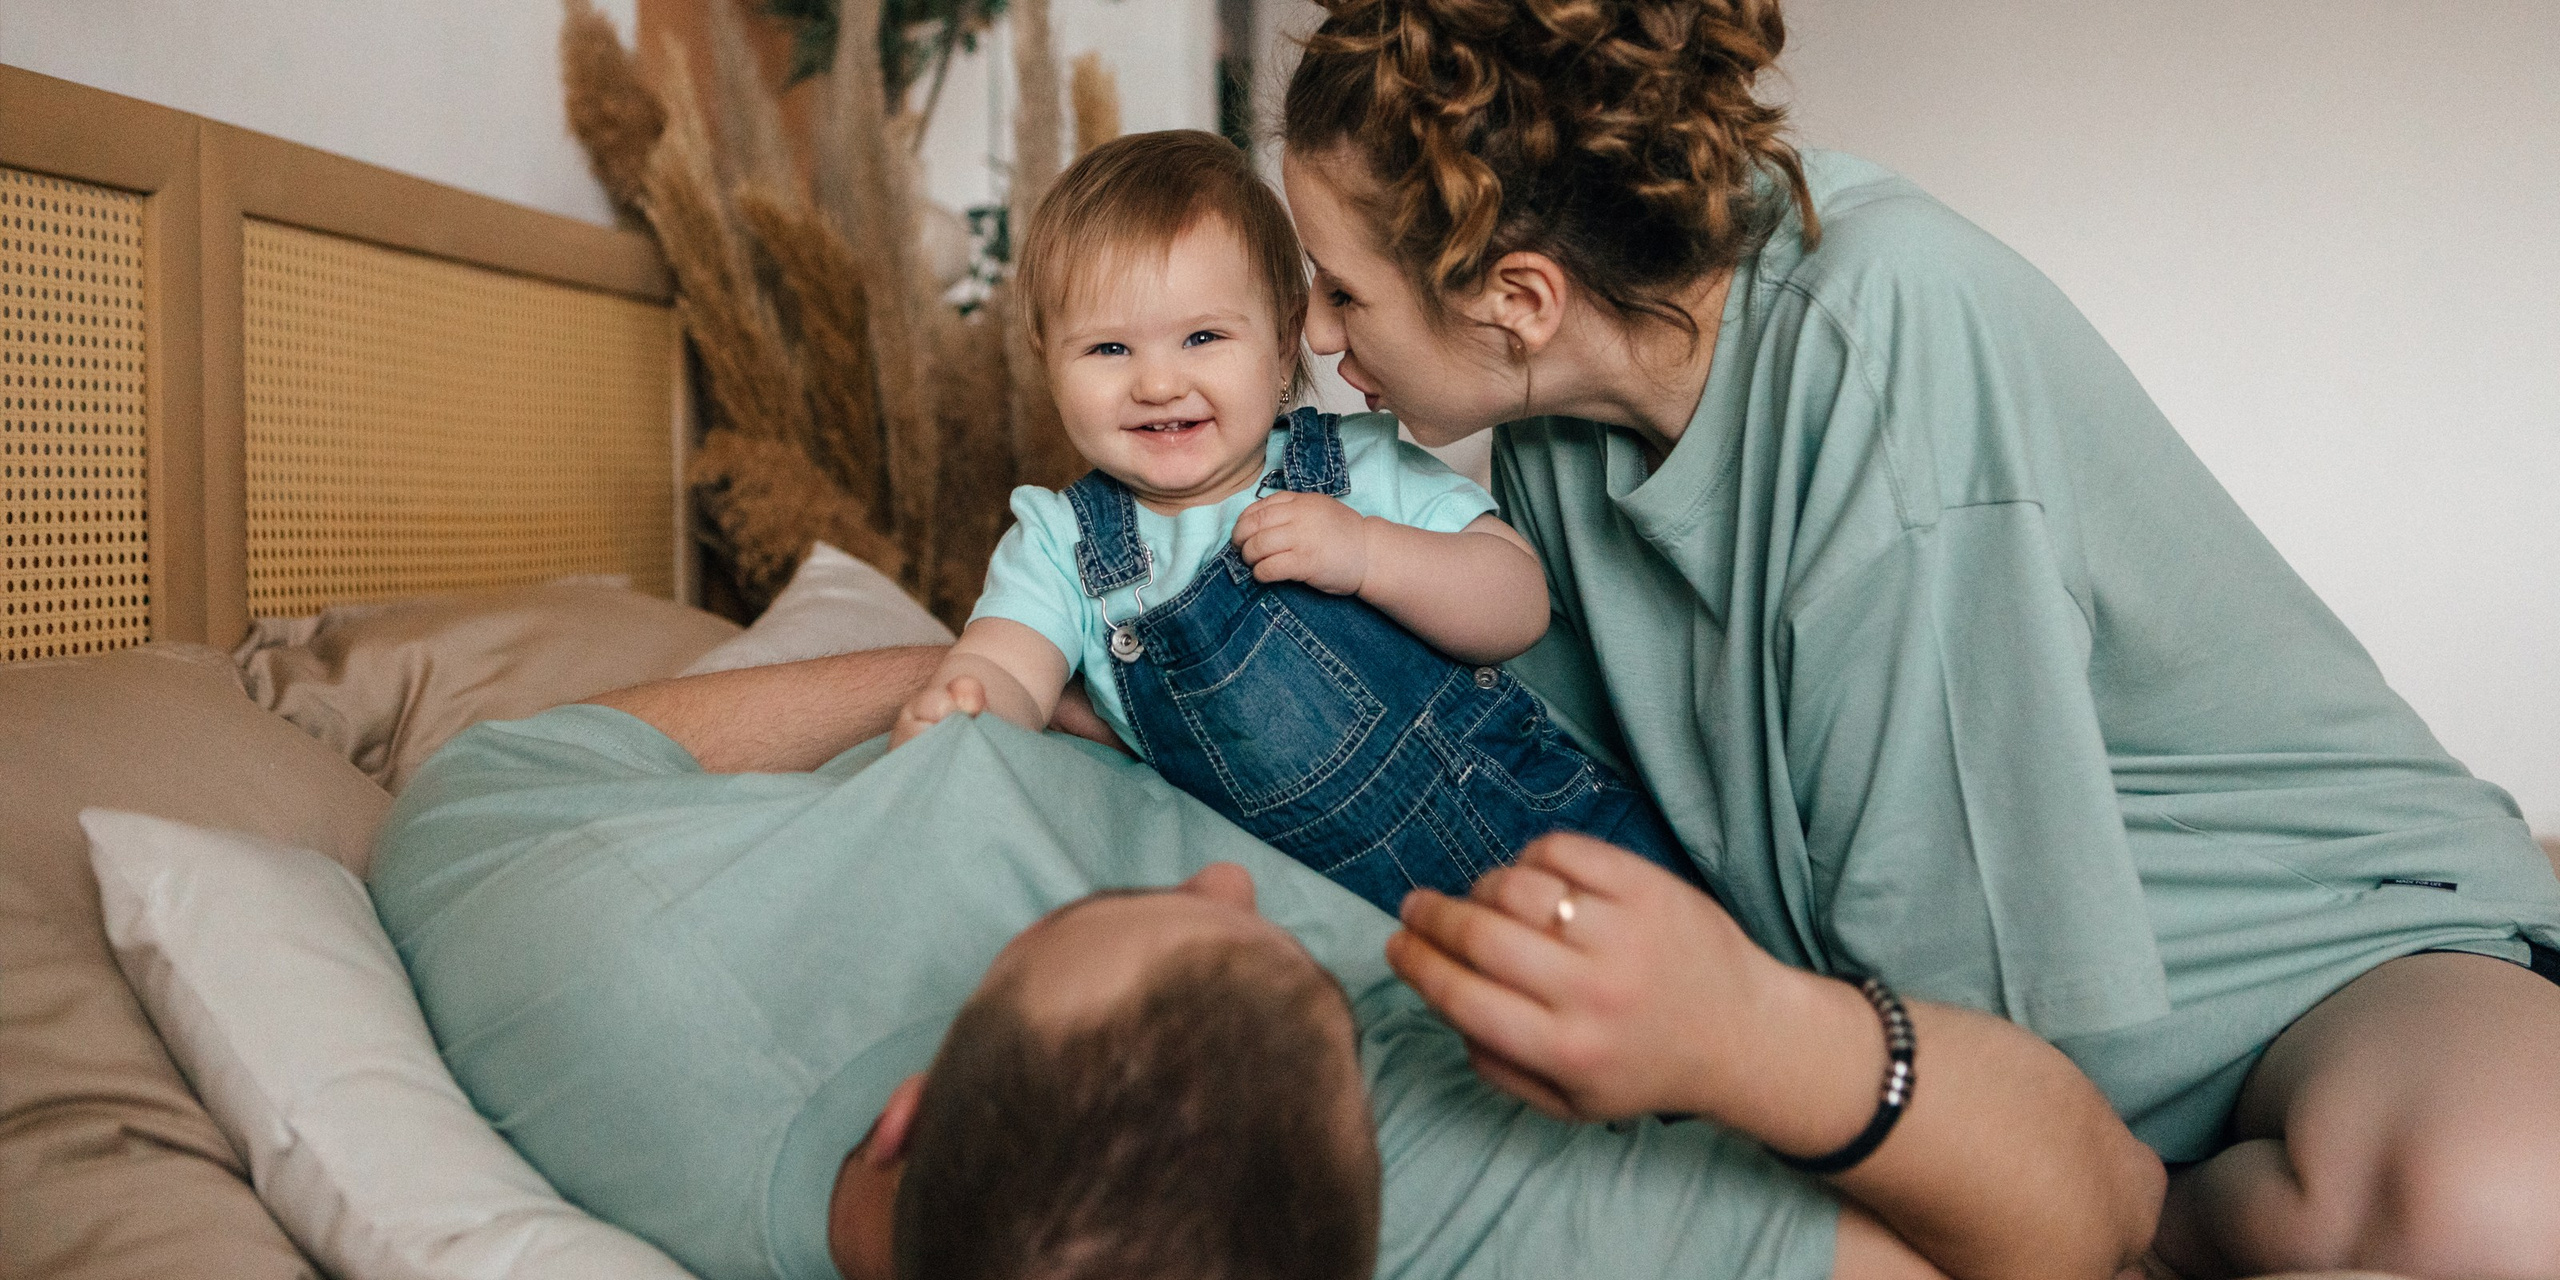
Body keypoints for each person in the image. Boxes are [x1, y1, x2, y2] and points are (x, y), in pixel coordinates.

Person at [1273, 0, 2560, 1276]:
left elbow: (1948, 963)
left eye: (1342, 290)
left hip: (2306, 934)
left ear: (1520, 297)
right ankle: (2156, 1207)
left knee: (2493, 1203)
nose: (1318, 338)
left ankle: (2140, 1212)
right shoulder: (1552, 427)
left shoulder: (1879, 332)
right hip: (1959, 1032)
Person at [368, 648, 2162, 1280]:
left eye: (1127, 906)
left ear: (913, 1118)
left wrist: (981, 674)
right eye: (1282, 958)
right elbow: (2091, 1222)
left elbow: (492, 772)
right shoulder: (1466, 1186)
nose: (1230, 881)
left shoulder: (556, 945)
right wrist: (1753, 1033)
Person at [889, 130, 1695, 915]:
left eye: (1202, 337)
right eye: (1108, 349)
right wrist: (966, 710)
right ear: (1046, 358)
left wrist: (1370, 554)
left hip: (1549, 826)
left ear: (1280, 349)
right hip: (1341, 918)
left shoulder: (1358, 468)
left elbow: (1516, 605)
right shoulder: (1064, 544)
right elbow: (1008, 664)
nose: (1159, 383)